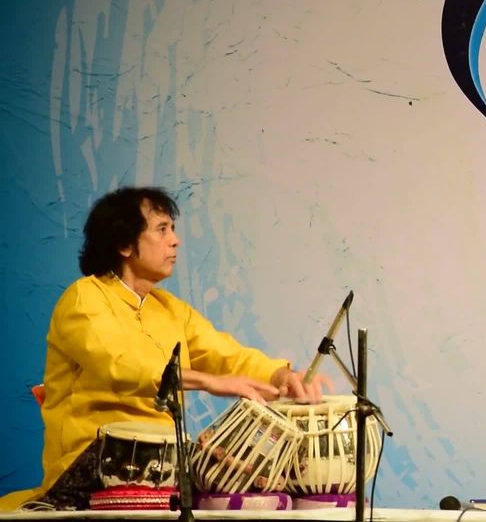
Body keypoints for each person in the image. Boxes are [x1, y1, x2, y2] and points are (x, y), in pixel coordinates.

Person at [0, 187, 331, 510]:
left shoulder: (171, 309)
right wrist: (207, 381)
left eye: (172, 228)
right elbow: (118, 365)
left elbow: (225, 354)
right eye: (162, 229)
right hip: (89, 468)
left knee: (245, 479)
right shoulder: (84, 297)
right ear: (124, 244)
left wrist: (280, 375)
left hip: (161, 467)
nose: (175, 240)